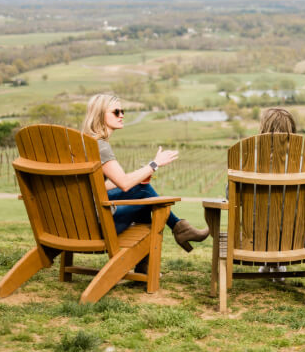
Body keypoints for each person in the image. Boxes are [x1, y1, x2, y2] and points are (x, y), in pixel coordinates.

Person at [81, 94, 209, 255]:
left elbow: (99, 186)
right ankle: (178, 231)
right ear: (100, 114)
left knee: (141, 188)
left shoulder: (83, 143)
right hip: (97, 227)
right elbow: (124, 184)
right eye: (116, 112)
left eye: (122, 111)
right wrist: (154, 164)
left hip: (78, 221)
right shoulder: (100, 147)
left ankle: (177, 232)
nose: (122, 115)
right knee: (144, 193)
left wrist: (139, 176)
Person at [255, 107, 296, 279]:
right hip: (294, 239)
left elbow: (230, 197)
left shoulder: (248, 160)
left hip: (254, 238)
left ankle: (268, 262)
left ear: (263, 130)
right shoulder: (303, 164)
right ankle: (277, 264)